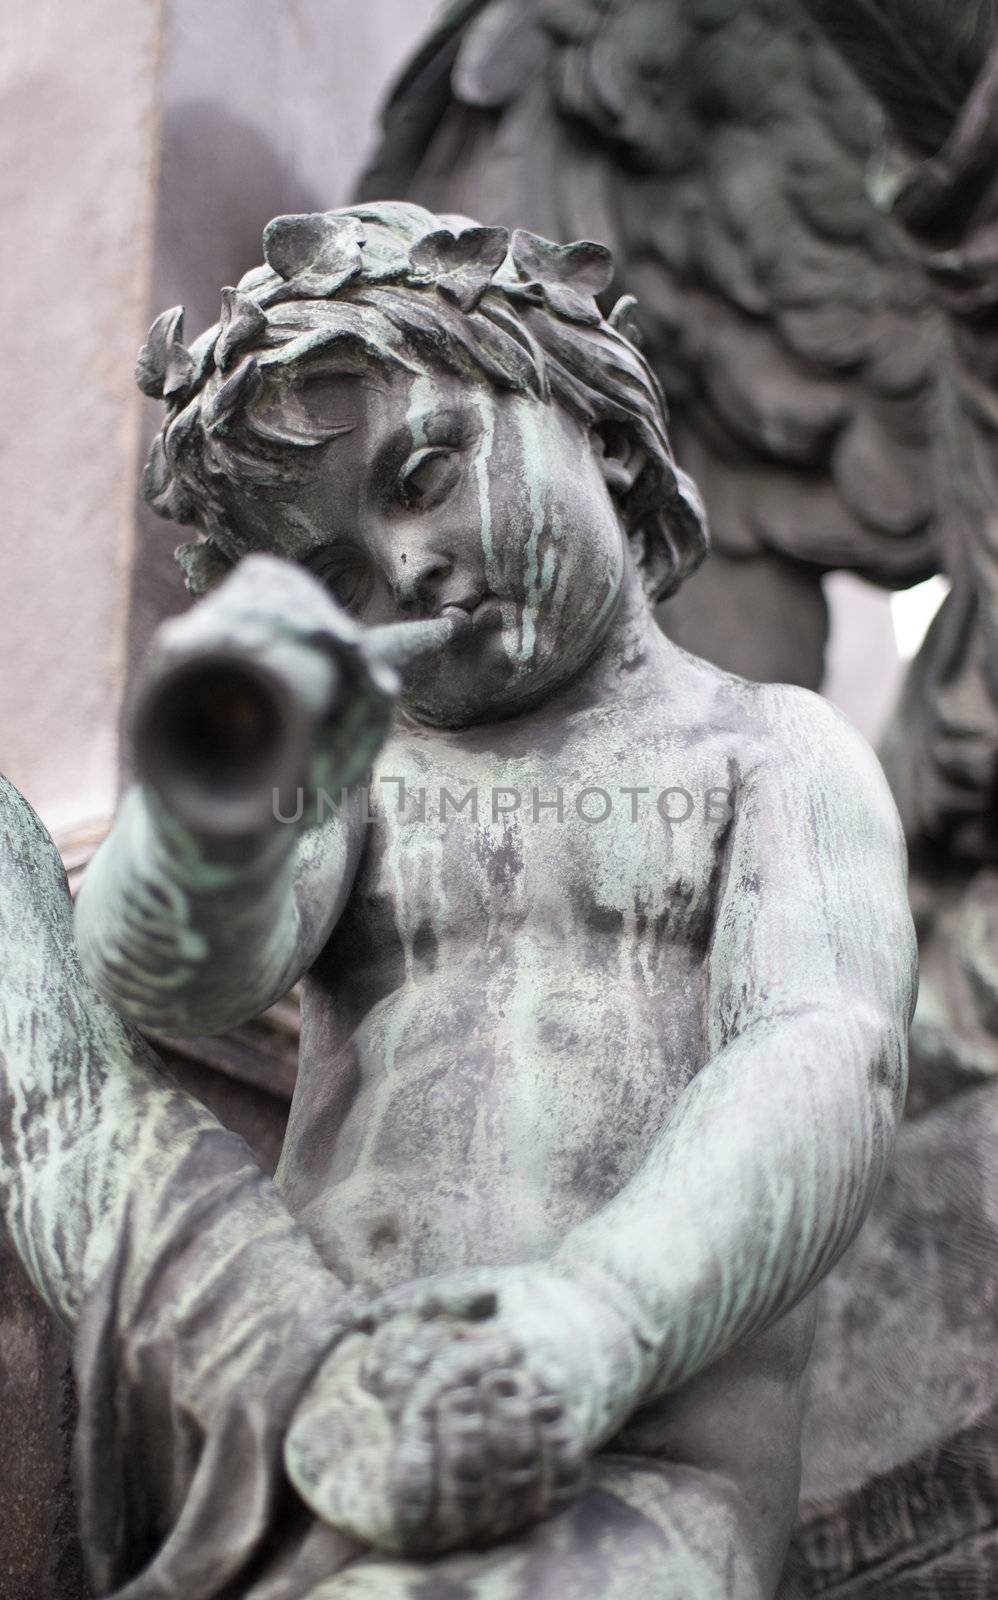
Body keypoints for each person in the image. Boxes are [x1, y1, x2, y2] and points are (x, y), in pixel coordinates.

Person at [0, 202, 915, 1599]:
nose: (405, 571)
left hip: (629, 1465)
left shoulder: (768, 751)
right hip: (318, 1446)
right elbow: (173, 988)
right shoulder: (362, 776)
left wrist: (594, 1319)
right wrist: (220, 791)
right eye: (334, 575)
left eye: (424, 472)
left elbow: (818, 1052)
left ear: (600, 434)